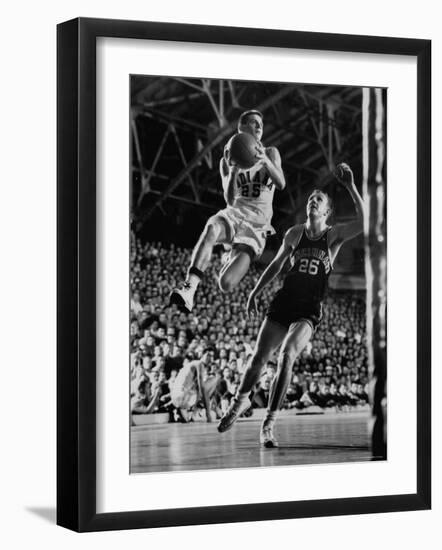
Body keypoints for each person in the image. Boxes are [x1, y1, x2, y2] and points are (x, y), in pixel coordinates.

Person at [217, 163, 364, 447]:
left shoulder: (333, 236)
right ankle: (238, 404)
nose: (312, 200)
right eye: (310, 198)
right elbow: (275, 265)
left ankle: (269, 423)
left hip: (309, 308)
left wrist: (350, 186)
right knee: (258, 358)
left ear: (326, 212)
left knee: (287, 355)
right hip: (284, 300)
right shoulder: (294, 233)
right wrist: (255, 292)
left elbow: (365, 221)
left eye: (318, 200)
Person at [170, 110, 286, 312]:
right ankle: (190, 288)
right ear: (241, 128)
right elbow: (230, 199)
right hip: (235, 214)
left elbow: (281, 183)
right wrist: (233, 172)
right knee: (211, 228)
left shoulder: (271, 152)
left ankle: (229, 256)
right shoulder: (227, 158)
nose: (259, 126)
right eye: (253, 122)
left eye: (260, 123)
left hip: (257, 225)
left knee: (226, 284)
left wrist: (265, 161)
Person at [170, 348, 220, 422]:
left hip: (177, 397)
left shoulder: (192, 365)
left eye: (211, 356)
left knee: (198, 387)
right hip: (180, 396)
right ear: (201, 355)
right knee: (215, 378)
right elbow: (202, 389)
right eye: (207, 355)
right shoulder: (199, 364)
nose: (209, 358)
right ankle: (190, 409)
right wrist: (208, 413)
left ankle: (183, 410)